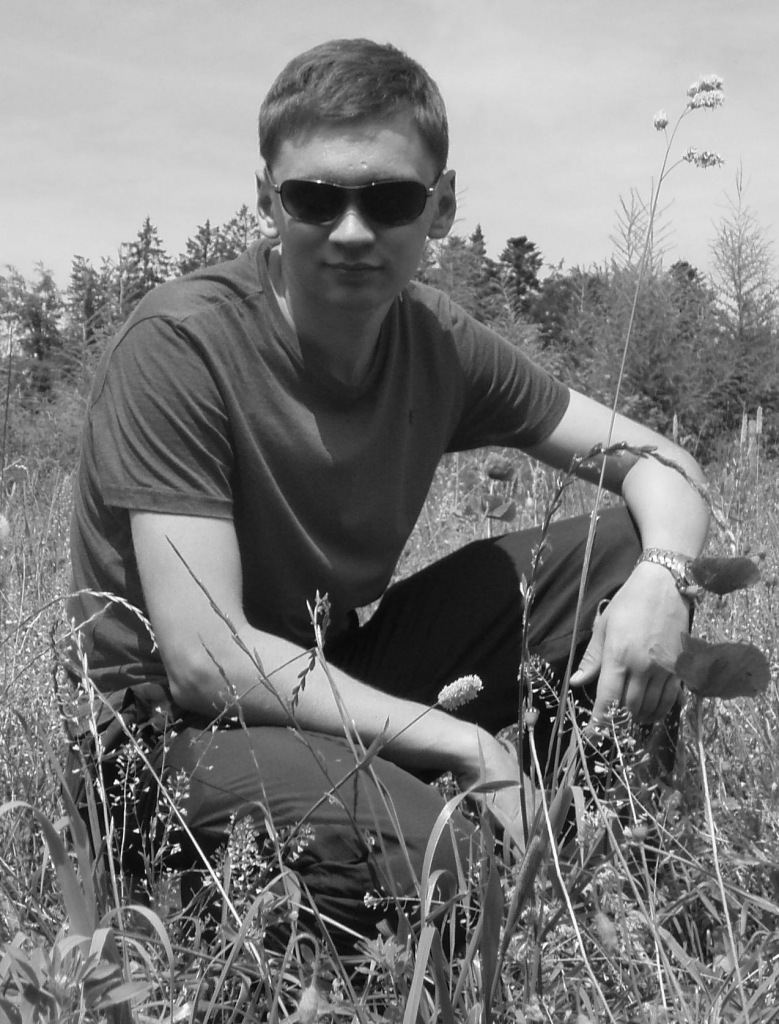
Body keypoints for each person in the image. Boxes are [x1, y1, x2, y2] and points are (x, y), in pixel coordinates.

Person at [64, 38, 709, 939]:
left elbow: (660, 464)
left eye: (390, 199)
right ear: (267, 199)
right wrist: (463, 742)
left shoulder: (436, 343)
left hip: (328, 680)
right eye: (314, 198)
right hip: (166, 737)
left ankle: (607, 866)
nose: (351, 231)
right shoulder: (181, 345)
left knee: (627, 551)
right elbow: (206, 660)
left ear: (440, 206)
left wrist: (664, 578)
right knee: (449, 867)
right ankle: (436, 881)